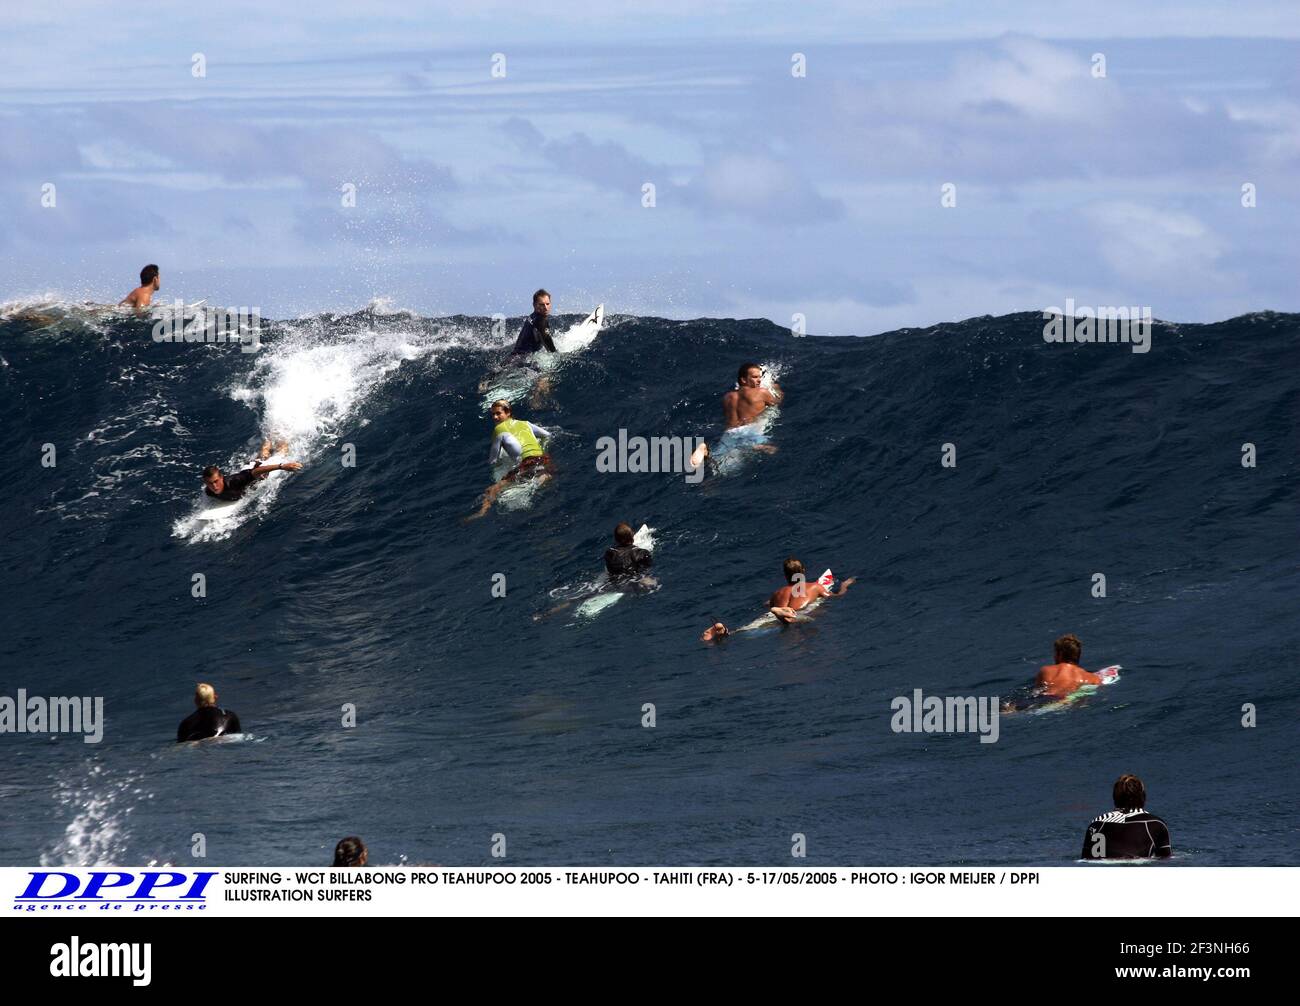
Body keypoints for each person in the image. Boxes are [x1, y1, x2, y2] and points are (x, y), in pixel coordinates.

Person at [702, 558, 854, 639]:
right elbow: (837, 597)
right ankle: (783, 615)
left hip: (770, 614)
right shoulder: (815, 587)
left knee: (748, 629)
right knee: (801, 621)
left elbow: (766, 604)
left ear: (785, 575)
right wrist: (844, 585)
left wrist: (772, 605)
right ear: (803, 571)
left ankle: (726, 633)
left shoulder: (777, 593)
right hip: (796, 612)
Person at [468, 400, 553, 519]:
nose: (495, 417)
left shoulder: (498, 430)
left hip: (527, 463)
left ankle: (481, 513)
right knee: (537, 473)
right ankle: (543, 475)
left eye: (498, 413)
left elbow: (493, 460)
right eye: (493, 414)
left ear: (508, 413)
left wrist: (498, 466)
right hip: (543, 459)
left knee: (491, 490)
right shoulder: (526, 423)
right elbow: (548, 435)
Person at [690, 362, 784, 468]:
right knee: (772, 450)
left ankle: (706, 452)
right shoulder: (761, 392)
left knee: (719, 465)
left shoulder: (728, 397)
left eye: (759, 377)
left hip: (730, 433)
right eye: (754, 377)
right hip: (750, 431)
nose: (759, 380)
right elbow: (777, 402)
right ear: (743, 380)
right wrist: (776, 388)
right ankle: (754, 447)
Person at [1081, 775, 1172, 860]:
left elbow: (1086, 859)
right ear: (1143, 796)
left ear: (1115, 797)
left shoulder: (1096, 823)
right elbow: (1165, 859)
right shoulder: (1156, 824)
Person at [202, 455, 302, 502]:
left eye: (216, 481)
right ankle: (270, 438)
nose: (214, 486)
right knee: (263, 454)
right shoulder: (209, 491)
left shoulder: (234, 482)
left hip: (258, 470)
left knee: (282, 451)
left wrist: (282, 466)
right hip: (247, 470)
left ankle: (284, 435)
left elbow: (256, 471)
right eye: (210, 483)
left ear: (221, 478)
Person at [1036, 634, 1102, 699]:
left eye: (1055, 653)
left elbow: (1038, 691)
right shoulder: (1094, 679)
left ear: (1060, 654)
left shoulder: (1046, 670)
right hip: (1070, 699)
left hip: (1049, 698)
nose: (1054, 656)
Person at [176, 683, 242, 742]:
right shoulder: (229, 715)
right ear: (215, 697)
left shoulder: (185, 724)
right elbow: (239, 738)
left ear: (195, 700)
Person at [511, 289, 557, 356]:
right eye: (542, 304)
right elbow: (547, 341)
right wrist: (556, 355)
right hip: (522, 361)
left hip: (514, 357)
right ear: (534, 305)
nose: (546, 308)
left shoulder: (532, 317)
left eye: (547, 304)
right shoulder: (541, 320)